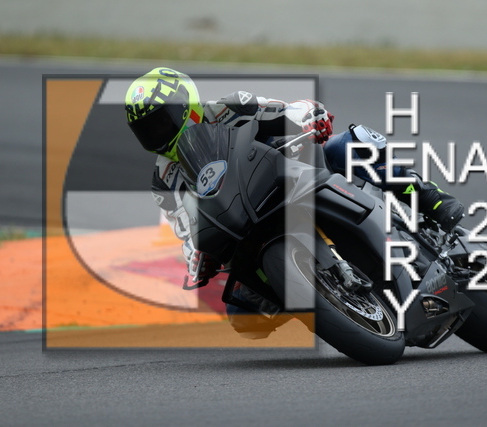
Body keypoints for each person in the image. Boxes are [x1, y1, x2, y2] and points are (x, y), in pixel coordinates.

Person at [125, 67, 464, 338]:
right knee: (244, 318)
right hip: (247, 223)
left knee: (348, 145)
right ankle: (326, 299)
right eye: (146, 130)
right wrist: (198, 257)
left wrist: (309, 116)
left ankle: (429, 198)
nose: (156, 133)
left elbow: (284, 110)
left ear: (186, 105)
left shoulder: (230, 107)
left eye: (161, 121)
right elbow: (185, 230)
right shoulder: (164, 179)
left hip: (292, 175)